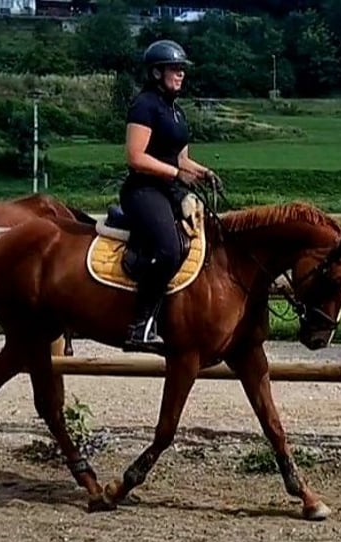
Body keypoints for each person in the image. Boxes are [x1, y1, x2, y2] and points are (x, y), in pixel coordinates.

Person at [120, 39, 221, 354]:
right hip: (143, 190)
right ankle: (140, 326)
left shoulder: (176, 112)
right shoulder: (145, 105)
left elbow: (180, 158)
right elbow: (135, 156)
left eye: (181, 69)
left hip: (169, 188)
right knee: (168, 248)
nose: (181, 75)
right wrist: (175, 174)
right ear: (156, 72)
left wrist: (203, 172)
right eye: (175, 69)